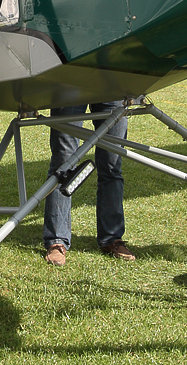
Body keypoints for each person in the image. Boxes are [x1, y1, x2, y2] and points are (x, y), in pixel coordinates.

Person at [43, 101, 133, 266]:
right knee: (62, 164)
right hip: (72, 86)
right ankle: (56, 240)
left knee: (112, 165)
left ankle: (112, 238)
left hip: (114, 89)